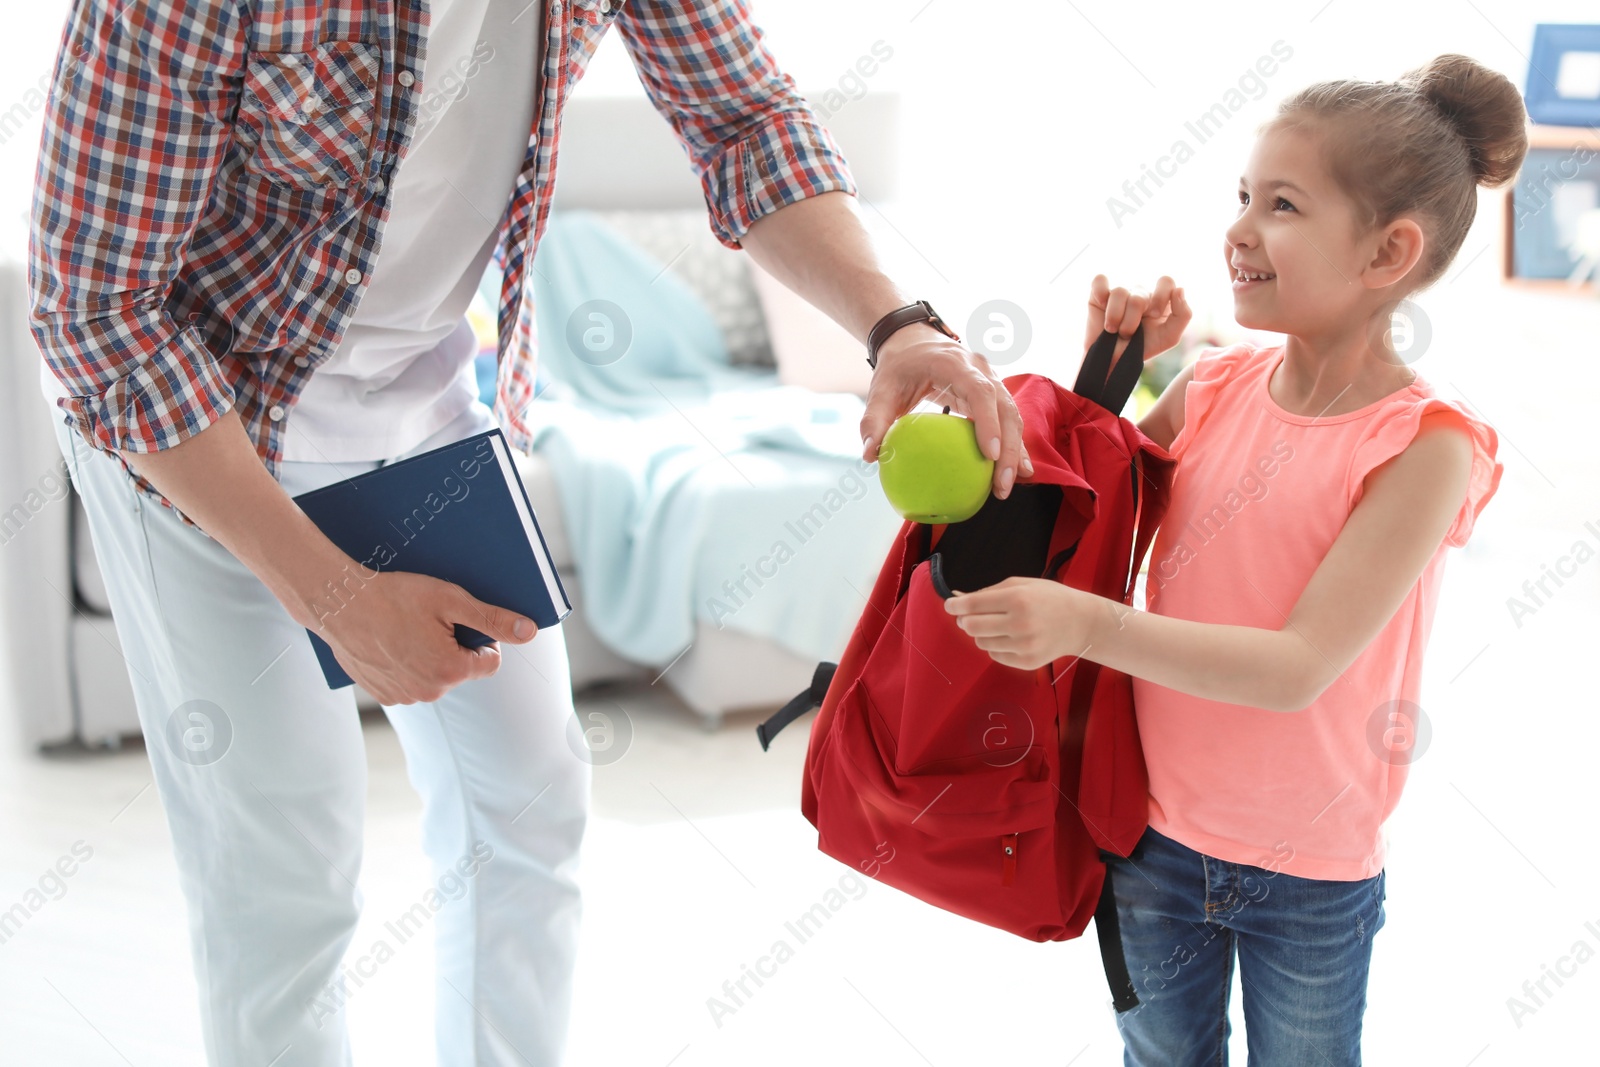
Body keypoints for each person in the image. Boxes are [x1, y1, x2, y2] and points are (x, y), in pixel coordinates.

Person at [28, 2, 1028, 1064]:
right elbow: (98, 316)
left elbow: (743, 119)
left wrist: (895, 323)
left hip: (419, 408)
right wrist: (329, 594)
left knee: (530, 812)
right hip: (199, 431)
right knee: (285, 878)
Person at [944, 54, 1524, 1064]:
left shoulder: (1425, 444)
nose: (1241, 229)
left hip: (1310, 868)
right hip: (1148, 832)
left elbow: (1296, 664)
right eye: (1243, 196)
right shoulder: (1212, 386)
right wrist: (1106, 369)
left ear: (1388, 250)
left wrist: (1088, 627)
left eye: (1284, 204)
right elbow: (1088, 513)